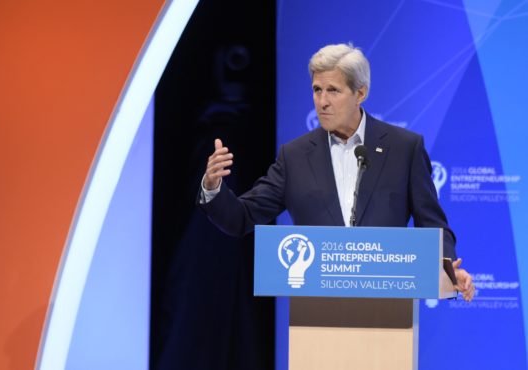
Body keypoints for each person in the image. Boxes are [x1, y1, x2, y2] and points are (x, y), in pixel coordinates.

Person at [199, 43, 474, 301]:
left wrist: (449, 271)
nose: (322, 101)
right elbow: (241, 218)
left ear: (361, 93)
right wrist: (213, 188)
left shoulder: (404, 148)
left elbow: (433, 225)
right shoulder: (295, 157)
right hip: (317, 314)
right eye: (317, 90)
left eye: (333, 90)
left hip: (386, 312)